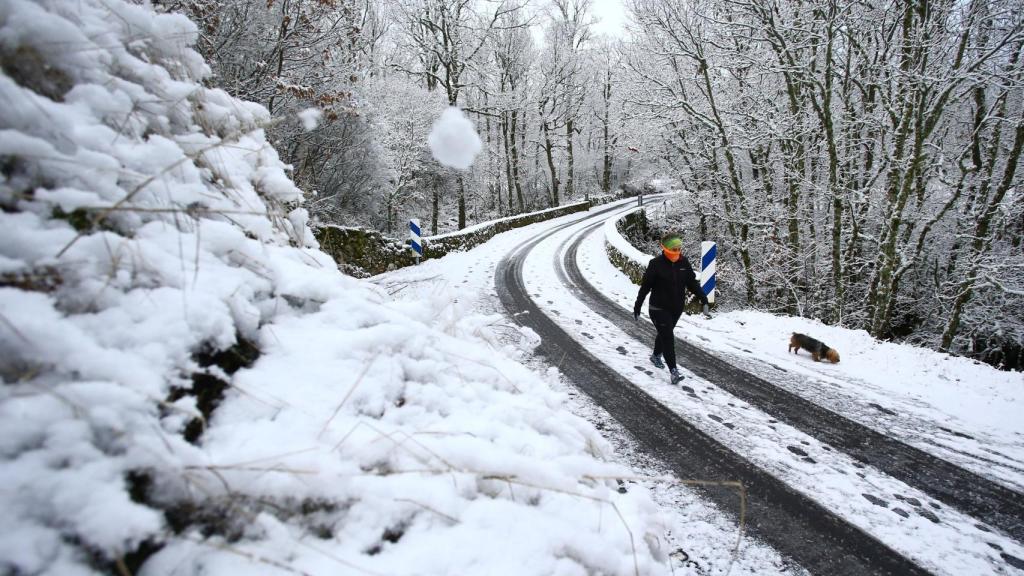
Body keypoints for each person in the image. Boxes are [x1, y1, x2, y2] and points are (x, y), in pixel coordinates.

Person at [633, 233, 710, 384]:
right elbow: (645, 287)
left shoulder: (683, 262)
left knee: (664, 333)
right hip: (658, 308)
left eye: (679, 249)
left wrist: (704, 299)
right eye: (674, 249)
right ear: (666, 249)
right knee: (668, 337)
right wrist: (638, 305)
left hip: (676, 308)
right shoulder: (655, 264)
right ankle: (674, 371)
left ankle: (656, 356)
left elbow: (692, 283)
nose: (677, 252)